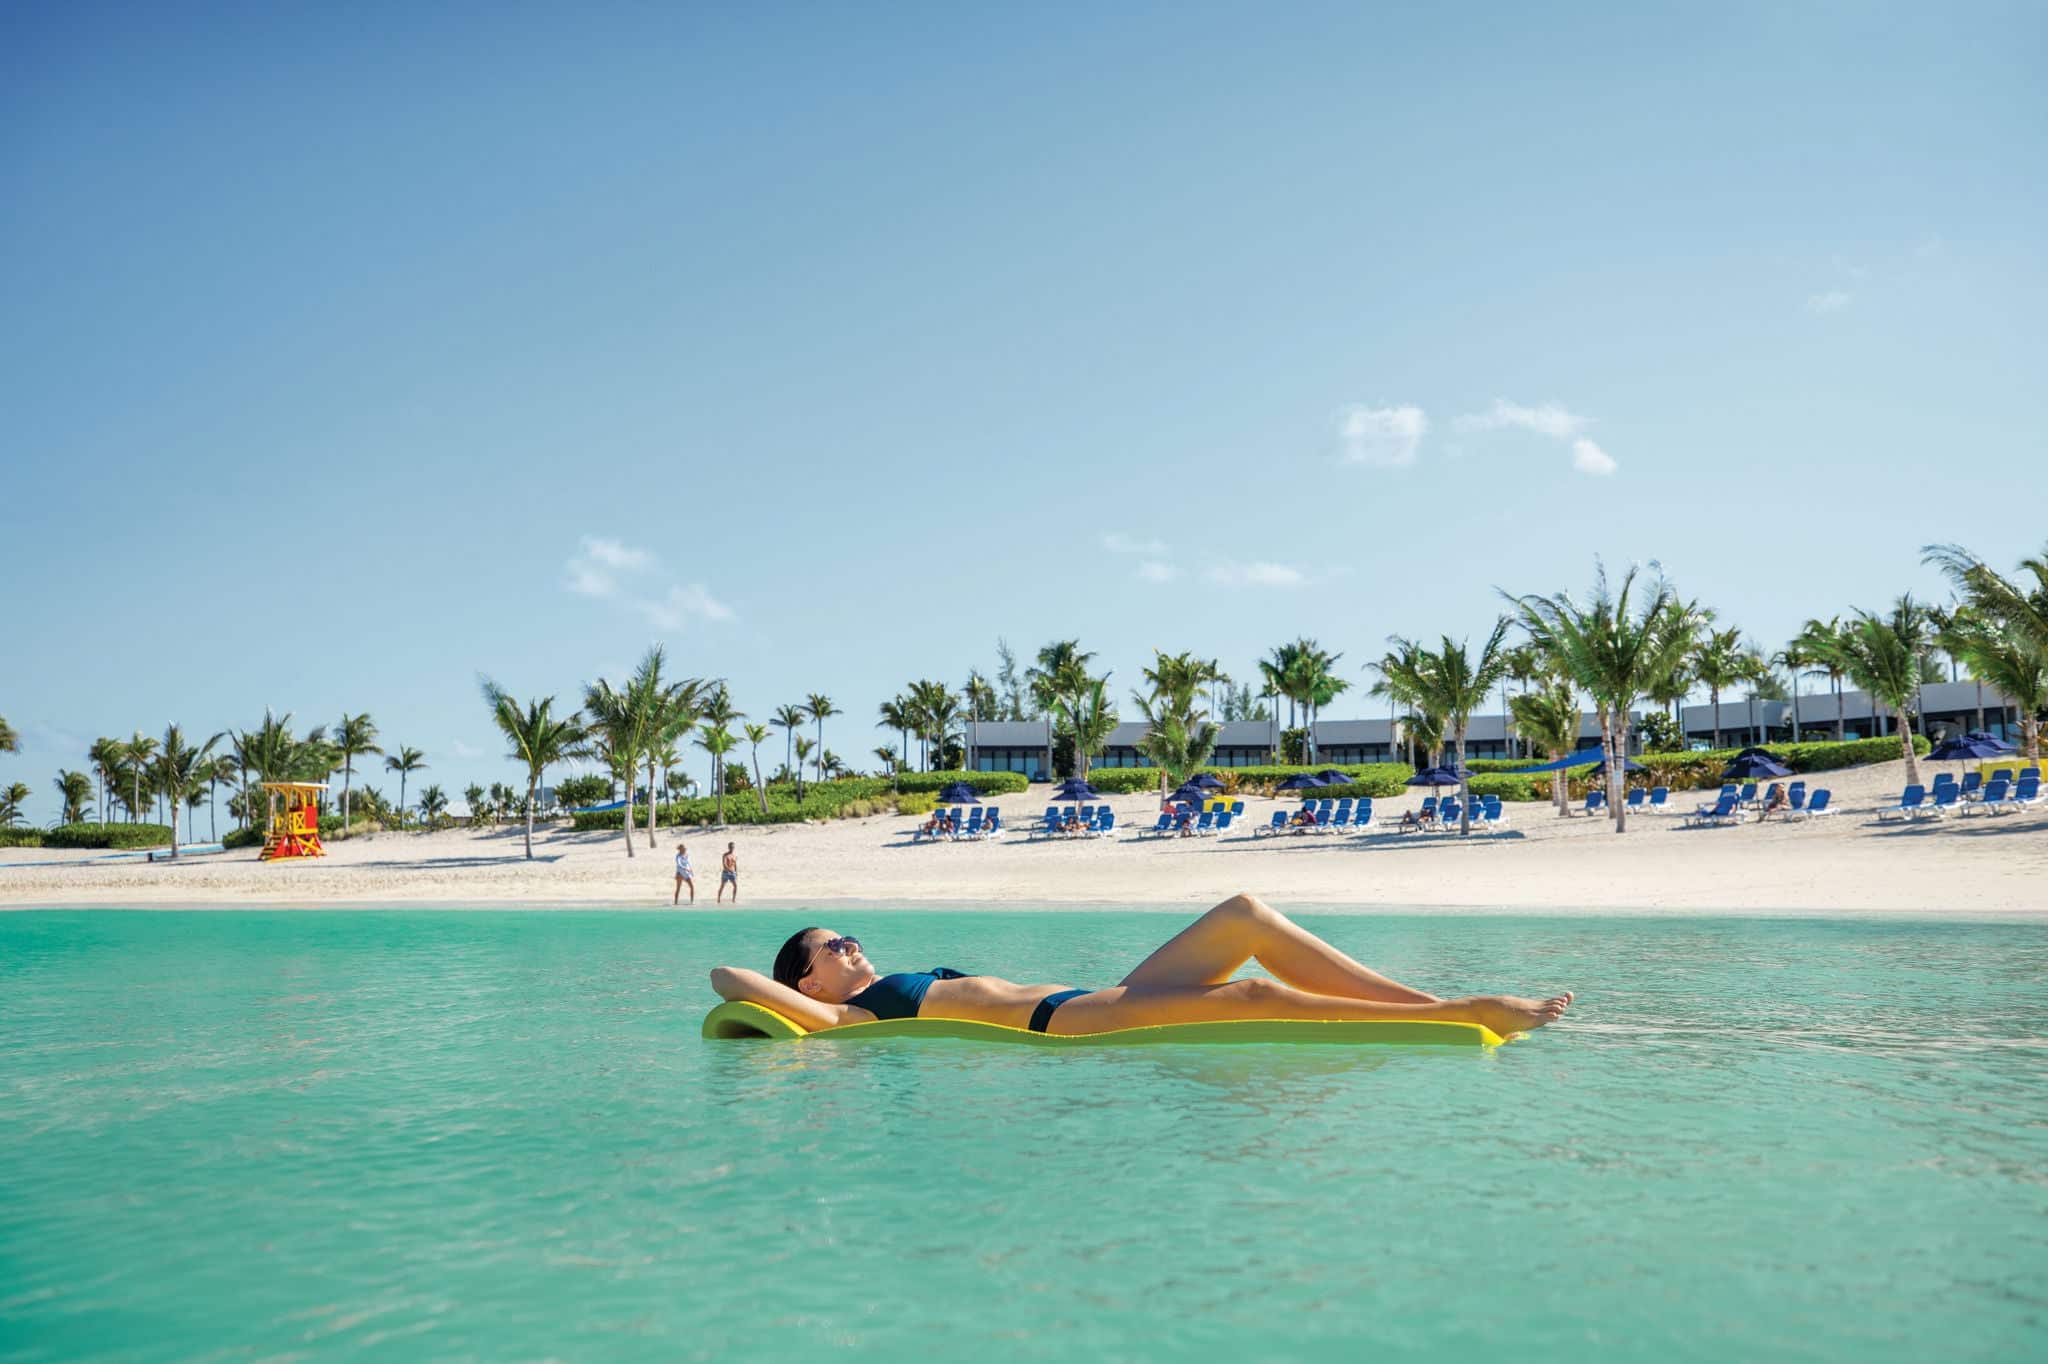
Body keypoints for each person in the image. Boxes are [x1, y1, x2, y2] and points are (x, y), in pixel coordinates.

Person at [708, 892, 1573, 1039]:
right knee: (1252, 995)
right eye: (833, 946)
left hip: (1099, 995)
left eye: (849, 935)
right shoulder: (853, 1018)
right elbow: (725, 977)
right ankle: (1469, 1012)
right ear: (807, 981)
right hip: (1065, 1025)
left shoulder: (872, 986)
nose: (851, 944)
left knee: (1244, 917)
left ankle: (1431, 998)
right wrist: (787, 998)